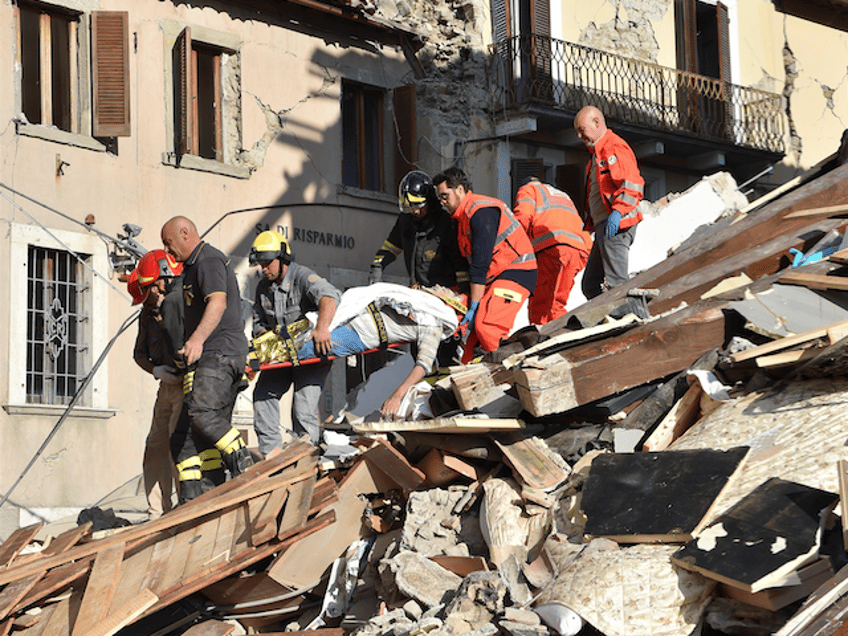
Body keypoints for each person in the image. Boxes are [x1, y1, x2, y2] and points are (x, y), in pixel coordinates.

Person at [161, 216, 253, 503]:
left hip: (219, 354)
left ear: (185, 232)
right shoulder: (190, 268)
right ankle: (198, 500)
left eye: (169, 242)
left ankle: (244, 465)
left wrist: (197, 340)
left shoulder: (209, 260)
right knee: (184, 441)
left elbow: (218, 301)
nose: (168, 250)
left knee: (204, 415)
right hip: (206, 360)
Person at [294, 283, 459, 420]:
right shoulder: (412, 299)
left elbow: (423, 365)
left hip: (357, 334)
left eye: (445, 290)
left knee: (302, 346)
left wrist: (397, 396)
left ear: (447, 302)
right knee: (303, 327)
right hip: (354, 312)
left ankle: (272, 352)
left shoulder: (434, 323)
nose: (439, 285)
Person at [249, 230, 341, 454]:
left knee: (303, 408)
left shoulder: (302, 276)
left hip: (311, 356)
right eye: (260, 263)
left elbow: (330, 297)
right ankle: (271, 458)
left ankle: (304, 459)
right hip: (282, 355)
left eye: (267, 263)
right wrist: (263, 340)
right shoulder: (263, 287)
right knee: (262, 396)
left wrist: (322, 328)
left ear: (282, 259)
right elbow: (258, 322)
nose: (263, 268)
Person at [433, 167, 537, 363]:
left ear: (460, 190)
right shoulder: (462, 218)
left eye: (445, 196)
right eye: (440, 197)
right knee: (471, 346)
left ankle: (507, 377)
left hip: (516, 272)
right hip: (497, 277)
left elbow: (480, 265)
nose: (442, 202)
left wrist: (474, 305)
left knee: (488, 327)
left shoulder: (481, 212)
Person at [128, 259, 183, 520]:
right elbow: (138, 354)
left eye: (145, 296)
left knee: (178, 445)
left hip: (185, 384)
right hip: (165, 385)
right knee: (155, 445)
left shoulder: (179, 302)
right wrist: (155, 371)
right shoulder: (146, 315)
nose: (145, 303)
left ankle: (185, 506)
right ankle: (157, 511)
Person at [573, 105, 645, 299]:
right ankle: (605, 319)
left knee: (616, 284)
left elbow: (632, 184)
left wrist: (618, 212)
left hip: (617, 224)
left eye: (582, 129)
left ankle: (626, 317)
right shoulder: (596, 156)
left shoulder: (613, 147)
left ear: (596, 122)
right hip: (605, 226)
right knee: (590, 285)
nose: (580, 136)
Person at [369, 170, 470, 292]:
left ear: (430, 202)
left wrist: (464, 295)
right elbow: (389, 248)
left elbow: (460, 265)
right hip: (416, 292)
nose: (415, 211)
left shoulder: (446, 224)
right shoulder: (405, 221)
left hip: (442, 294)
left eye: (419, 206)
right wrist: (376, 269)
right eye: (411, 207)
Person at [513, 177, 593, 324]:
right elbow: (580, 227)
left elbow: (523, 216)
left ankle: (542, 342)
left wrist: (513, 248)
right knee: (557, 304)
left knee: (541, 305)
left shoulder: (528, 189)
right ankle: (561, 339)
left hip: (550, 250)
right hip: (576, 251)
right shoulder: (563, 195)